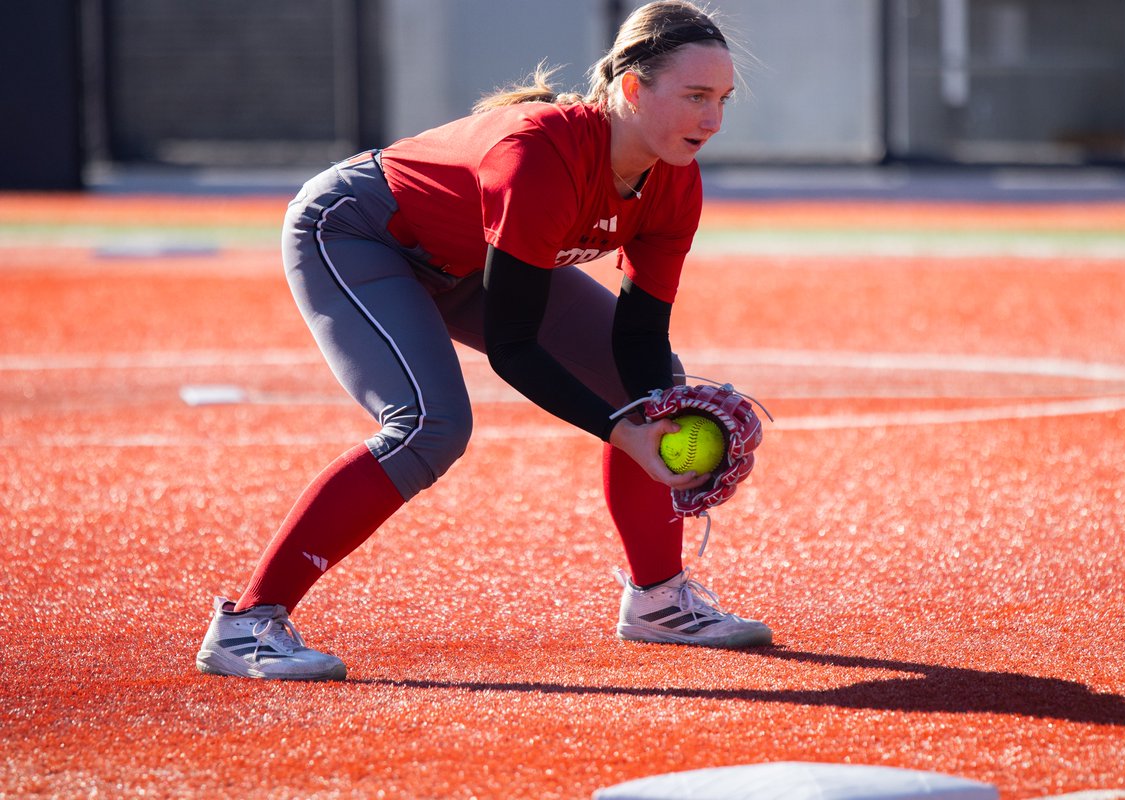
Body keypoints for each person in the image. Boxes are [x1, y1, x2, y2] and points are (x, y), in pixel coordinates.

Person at [196, 0, 771, 682]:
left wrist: (651, 416)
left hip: (468, 260)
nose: (713, 120)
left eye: (724, 100)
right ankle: (248, 623)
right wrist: (624, 435)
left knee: (653, 388)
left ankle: (658, 602)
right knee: (429, 426)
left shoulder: (675, 179)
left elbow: (641, 330)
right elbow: (514, 346)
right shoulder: (540, 154)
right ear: (632, 88)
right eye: (697, 96)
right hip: (361, 234)